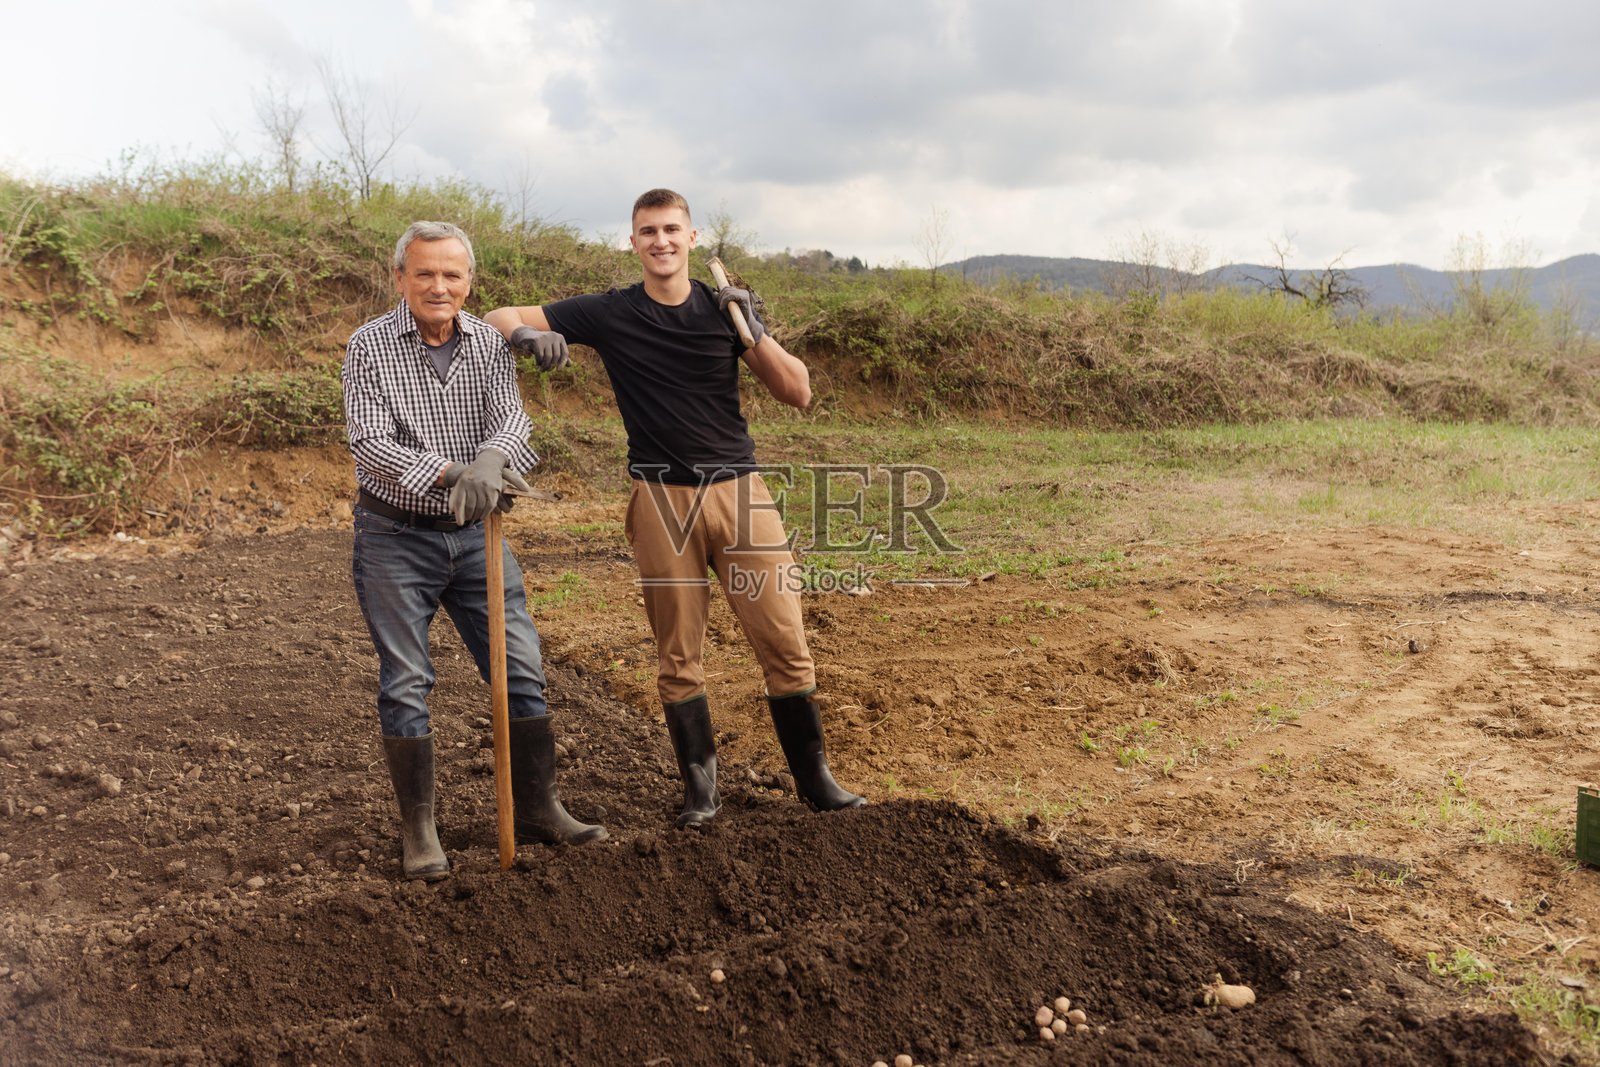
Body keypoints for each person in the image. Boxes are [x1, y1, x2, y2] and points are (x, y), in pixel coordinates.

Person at [485, 189, 865, 830]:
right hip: (660, 498)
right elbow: (496, 315)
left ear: (691, 240)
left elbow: (797, 391)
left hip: (741, 495)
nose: (660, 241)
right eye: (647, 231)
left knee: (785, 639)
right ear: (632, 243)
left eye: (670, 230)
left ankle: (816, 781)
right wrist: (526, 333)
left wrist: (756, 331)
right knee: (678, 654)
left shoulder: (724, 313)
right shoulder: (609, 312)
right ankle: (701, 791)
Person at [342, 220, 607, 881]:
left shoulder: (487, 342)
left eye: (452, 275)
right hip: (395, 537)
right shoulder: (369, 346)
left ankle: (541, 806)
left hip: (475, 535)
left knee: (520, 667)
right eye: (425, 273)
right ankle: (420, 830)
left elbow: (512, 421)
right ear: (400, 277)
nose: (439, 286)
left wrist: (491, 457)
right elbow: (370, 442)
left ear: (470, 282)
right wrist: (453, 473)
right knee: (406, 683)